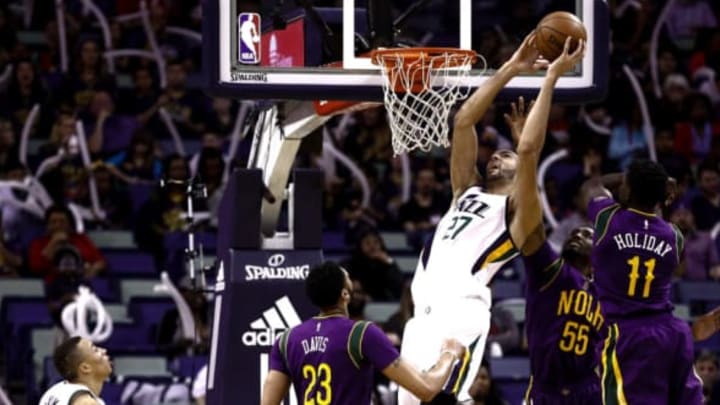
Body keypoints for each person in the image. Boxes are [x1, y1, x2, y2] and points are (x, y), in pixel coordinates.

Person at [398, 34, 585, 405]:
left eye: (506, 156)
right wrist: (512, 68)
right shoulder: (465, 191)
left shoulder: (517, 214)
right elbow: (464, 120)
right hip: (421, 318)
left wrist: (550, 80)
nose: (496, 158)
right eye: (495, 155)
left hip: (460, 314)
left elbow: (530, 152)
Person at [582, 158, 704, 404]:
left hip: (627, 333)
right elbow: (673, 262)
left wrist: (628, 176)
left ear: (627, 190)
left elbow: (591, 186)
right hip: (672, 331)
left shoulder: (609, 218)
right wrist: (657, 189)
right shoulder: (674, 235)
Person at [260, 261, 467, 405]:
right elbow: (426, 390)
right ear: (345, 294)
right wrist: (449, 354)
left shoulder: (286, 340)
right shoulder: (361, 334)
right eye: (348, 278)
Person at [39, 336, 113, 405]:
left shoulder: (54, 391)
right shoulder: (86, 402)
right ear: (85, 368)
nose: (104, 350)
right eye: (95, 350)